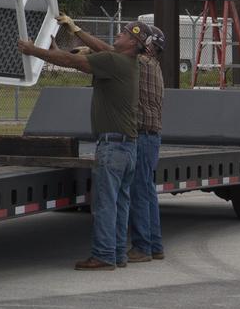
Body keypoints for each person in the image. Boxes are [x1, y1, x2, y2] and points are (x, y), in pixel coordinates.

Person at [18, 19, 152, 271]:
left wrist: (33, 50)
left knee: (104, 204)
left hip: (112, 146)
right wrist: (74, 30)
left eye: (124, 33)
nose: (119, 34)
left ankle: (103, 256)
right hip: (127, 146)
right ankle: (117, 254)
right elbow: (100, 47)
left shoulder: (114, 62)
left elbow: (73, 61)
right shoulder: (126, 61)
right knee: (120, 204)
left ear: (133, 42)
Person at [57, 14, 165, 263]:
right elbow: (110, 53)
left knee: (137, 193)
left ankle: (143, 247)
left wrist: (78, 32)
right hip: (148, 136)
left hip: (142, 136)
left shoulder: (141, 64)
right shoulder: (152, 66)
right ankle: (151, 245)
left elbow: (110, 52)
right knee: (144, 192)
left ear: (147, 46)